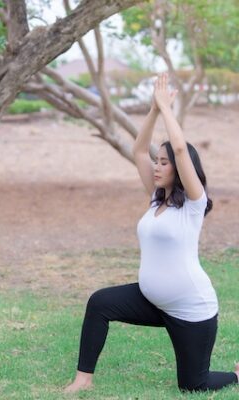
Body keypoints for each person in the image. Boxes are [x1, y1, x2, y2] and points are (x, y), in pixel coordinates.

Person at [64, 73, 239, 393]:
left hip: (191, 309)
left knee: (194, 385)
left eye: (164, 163)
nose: (157, 167)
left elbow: (182, 152)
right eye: (157, 162)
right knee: (100, 303)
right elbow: (138, 149)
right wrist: (154, 111)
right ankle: (83, 380)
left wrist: (167, 109)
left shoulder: (193, 205)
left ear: (179, 169)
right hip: (153, 301)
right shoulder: (157, 198)